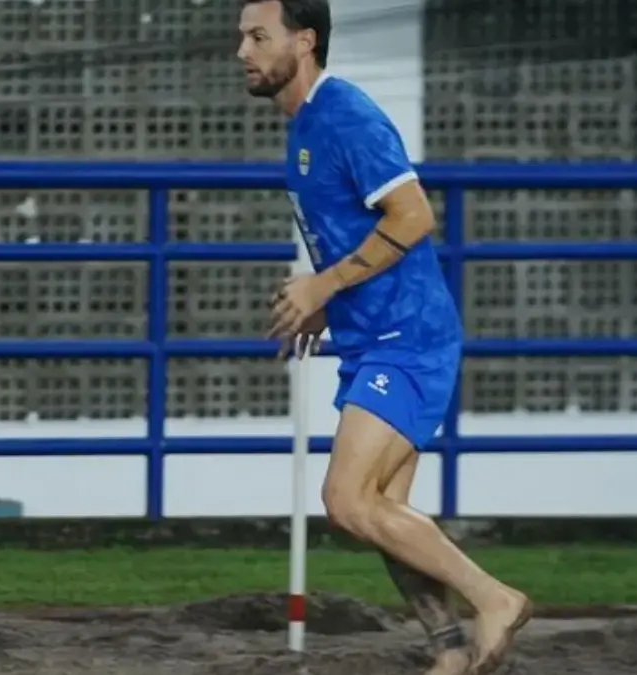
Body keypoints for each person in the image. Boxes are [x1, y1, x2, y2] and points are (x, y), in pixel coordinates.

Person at [236, 1, 532, 673]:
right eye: (242, 37)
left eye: (258, 36)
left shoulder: (347, 115)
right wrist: (323, 302)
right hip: (376, 338)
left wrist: (322, 286)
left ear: (304, 42)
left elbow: (413, 213)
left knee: (346, 500)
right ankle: (449, 650)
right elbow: (353, 231)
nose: (242, 51)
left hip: (409, 337)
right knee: (382, 511)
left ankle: (496, 597)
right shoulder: (305, 125)